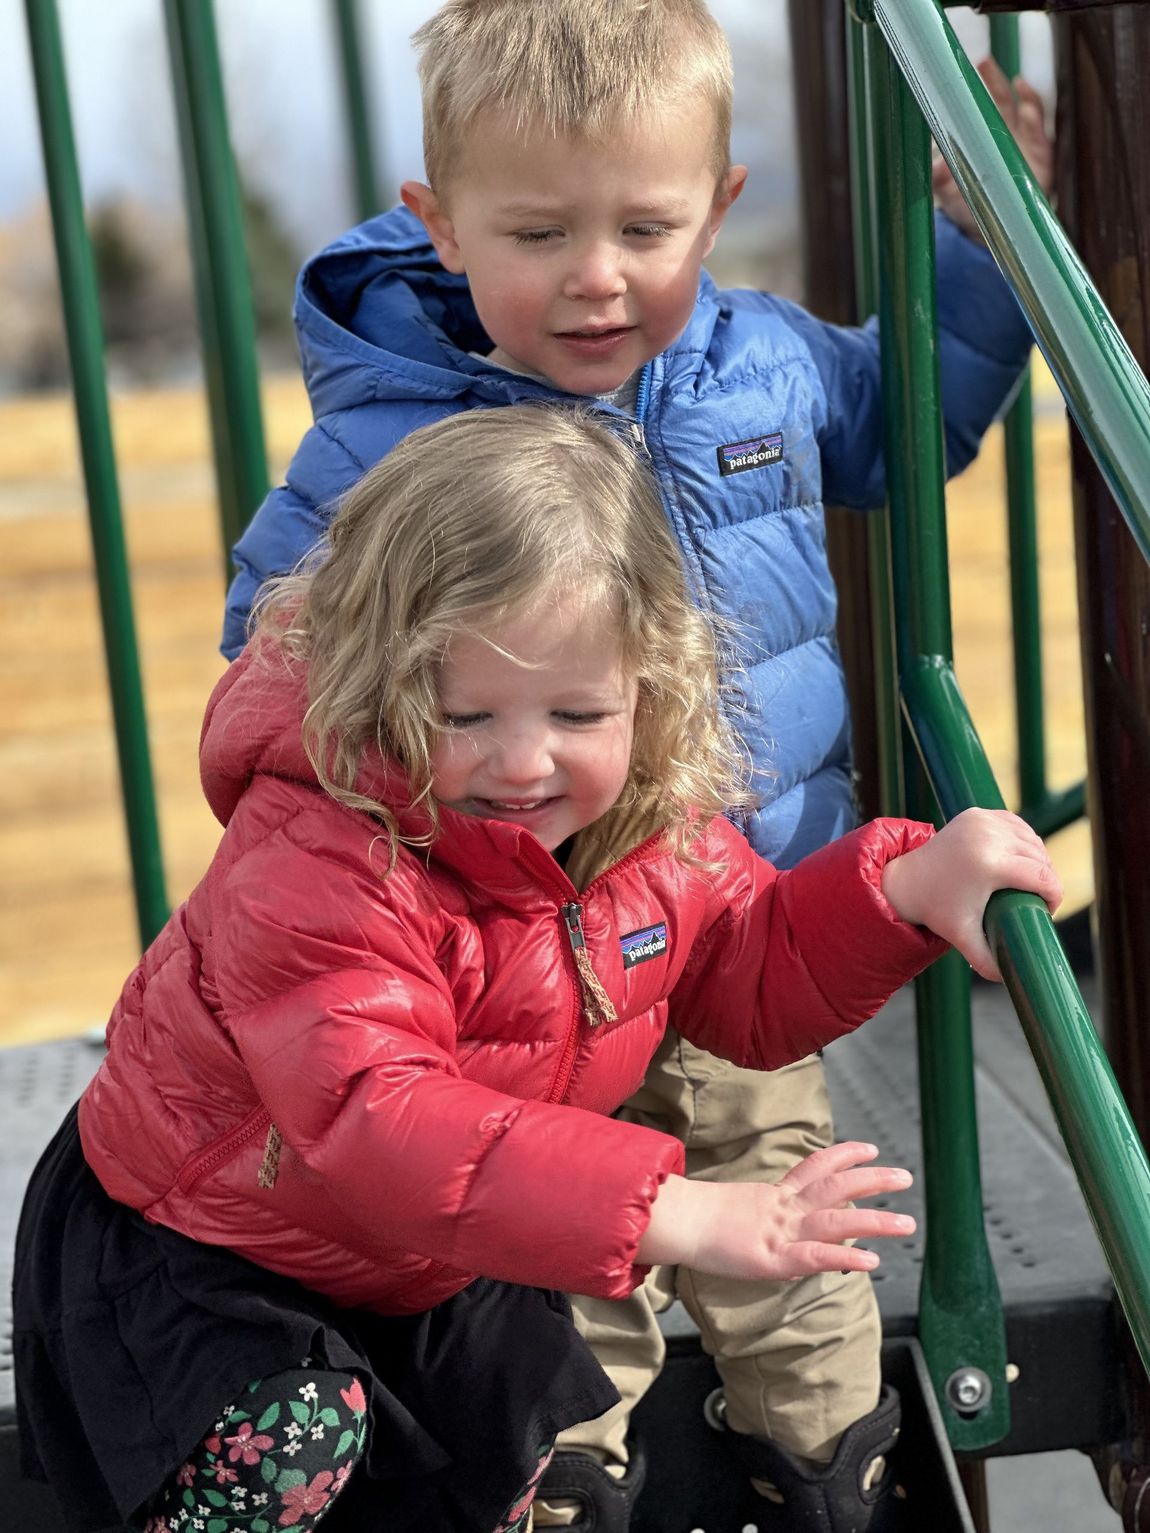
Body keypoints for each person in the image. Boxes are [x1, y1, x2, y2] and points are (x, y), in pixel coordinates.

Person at [217, 4, 1054, 1527]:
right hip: (519, 955)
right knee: (560, 1273)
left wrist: (984, 252)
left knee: (792, 1242)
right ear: (440, 226)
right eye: (537, 230)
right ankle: (566, 1485)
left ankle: (826, 1473)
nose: (595, 275)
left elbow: (901, 417)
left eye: (644, 226)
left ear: (718, 207)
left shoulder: (765, 369)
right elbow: (272, 655)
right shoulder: (391, 440)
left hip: (740, 935)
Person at [14, 407, 1061, 1533]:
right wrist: (679, 1213)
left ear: (649, 692)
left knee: (518, 1421)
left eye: (576, 713)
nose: (523, 764)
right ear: (379, 683)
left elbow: (752, 971)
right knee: (295, 1431)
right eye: (465, 715)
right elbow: (381, 1118)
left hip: (416, 1256)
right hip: (211, 1248)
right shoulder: (321, 855)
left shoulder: (647, 831)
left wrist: (899, 889)